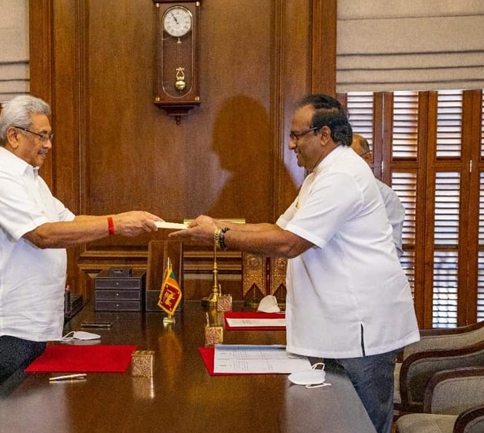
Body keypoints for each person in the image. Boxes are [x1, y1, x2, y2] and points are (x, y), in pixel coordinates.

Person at [171, 94, 419, 433]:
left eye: (296, 135)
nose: (290, 145)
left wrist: (219, 237)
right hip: (339, 329)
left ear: (324, 135)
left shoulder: (342, 175)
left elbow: (289, 243)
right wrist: (219, 225)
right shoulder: (322, 174)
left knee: (359, 426)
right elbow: (279, 228)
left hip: (360, 333)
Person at [0, 95, 162, 400]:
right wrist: (115, 224)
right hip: (9, 326)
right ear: (14, 135)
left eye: (50, 136)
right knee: (7, 421)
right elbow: (42, 235)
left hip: (35, 321)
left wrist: (126, 221)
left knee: (38, 416)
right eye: (41, 136)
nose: (48, 145)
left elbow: (70, 222)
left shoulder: (31, 178)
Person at [351, 134, 405, 258]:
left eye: (353, 159)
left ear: (368, 158)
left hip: (371, 269)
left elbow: (393, 248)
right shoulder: (331, 190)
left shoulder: (386, 196)